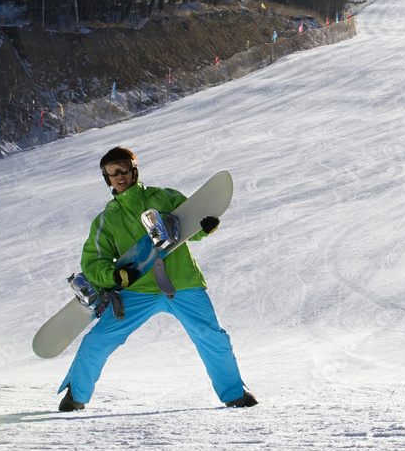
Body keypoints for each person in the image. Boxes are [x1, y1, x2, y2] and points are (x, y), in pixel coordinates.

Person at [57, 146, 257, 412]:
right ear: (106, 178)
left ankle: (235, 393)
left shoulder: (164, 197)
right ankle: (76, 394)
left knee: (211, 335)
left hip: (181, 282)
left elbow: (190, 225)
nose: (119, 176)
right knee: (98, 340)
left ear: (134, 170)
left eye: (124, 169)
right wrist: (115, 275)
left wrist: (204, 227)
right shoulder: (107, 220)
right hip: (138, 290)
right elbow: (93, 262)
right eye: (112, 172)